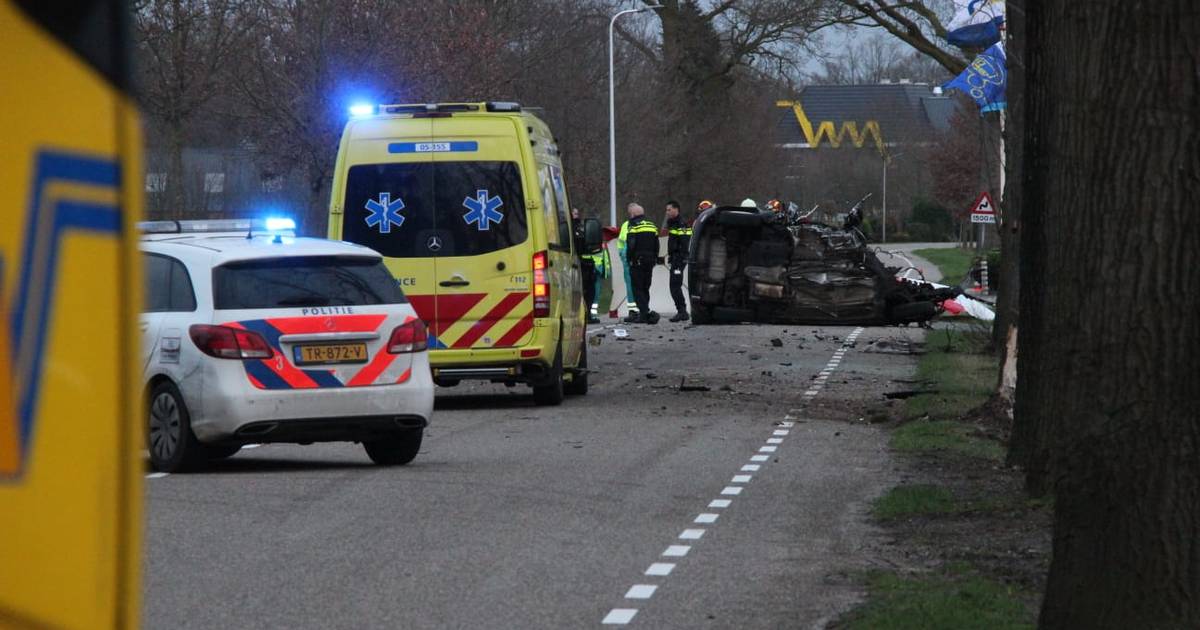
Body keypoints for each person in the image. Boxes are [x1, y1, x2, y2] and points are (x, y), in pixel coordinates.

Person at [624, 203, 660, 324]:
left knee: (637, 288)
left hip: (637, 261)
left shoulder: (633, 225)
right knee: (646, 287)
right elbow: (657, 244)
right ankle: (645, 310)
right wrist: (655, 258)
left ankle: (644, 314)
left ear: (633, 214)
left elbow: (631, 244)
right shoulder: (652, 225)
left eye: (630, 214)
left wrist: (629, 258)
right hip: (650, 261)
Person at [664, 200, 693, 322]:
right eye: (667, 210)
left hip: (679, 260)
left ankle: (682, 311)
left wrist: (679, 259)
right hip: (675, 259)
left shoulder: (681, 224)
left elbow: (685, 244)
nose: (667, 212)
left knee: (675, 285)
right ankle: (681, 311)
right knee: (674, 285)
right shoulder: (673, 223)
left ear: (676, 209)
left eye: (669, 209)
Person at [571, 208, 598, 324]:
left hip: (587, 265)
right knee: (577, 292)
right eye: (573, 213)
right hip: (573, 265)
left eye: (577, 213)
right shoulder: (566, 228)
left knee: (590, 291)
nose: (576, 216)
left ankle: (587, 315)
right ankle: (578, 315)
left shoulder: (583, 228)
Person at [617, 217, 639, 321]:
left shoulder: (626, 225)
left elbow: (621, 244)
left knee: (632, 285)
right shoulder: (628, 225)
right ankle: (637, 310)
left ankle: (635, 311)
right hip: (633, 259)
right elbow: (622, 243)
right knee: (635, 285)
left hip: (630, 259)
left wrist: (622, 255)